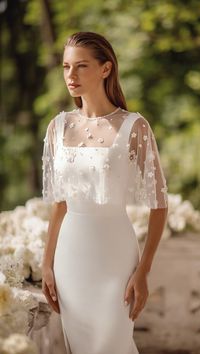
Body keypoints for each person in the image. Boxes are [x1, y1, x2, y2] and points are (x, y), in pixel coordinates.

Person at [41, 31, 168, 354]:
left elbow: (159, 204)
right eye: (66, 67)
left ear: (105, 69)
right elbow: (59, 204)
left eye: (81, 66)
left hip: (116, 258)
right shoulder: (58, 127)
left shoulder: (134, 126)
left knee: (111, 345)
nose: (71, 76)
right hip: (70, 261)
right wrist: (46, 264)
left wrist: (143, 271)